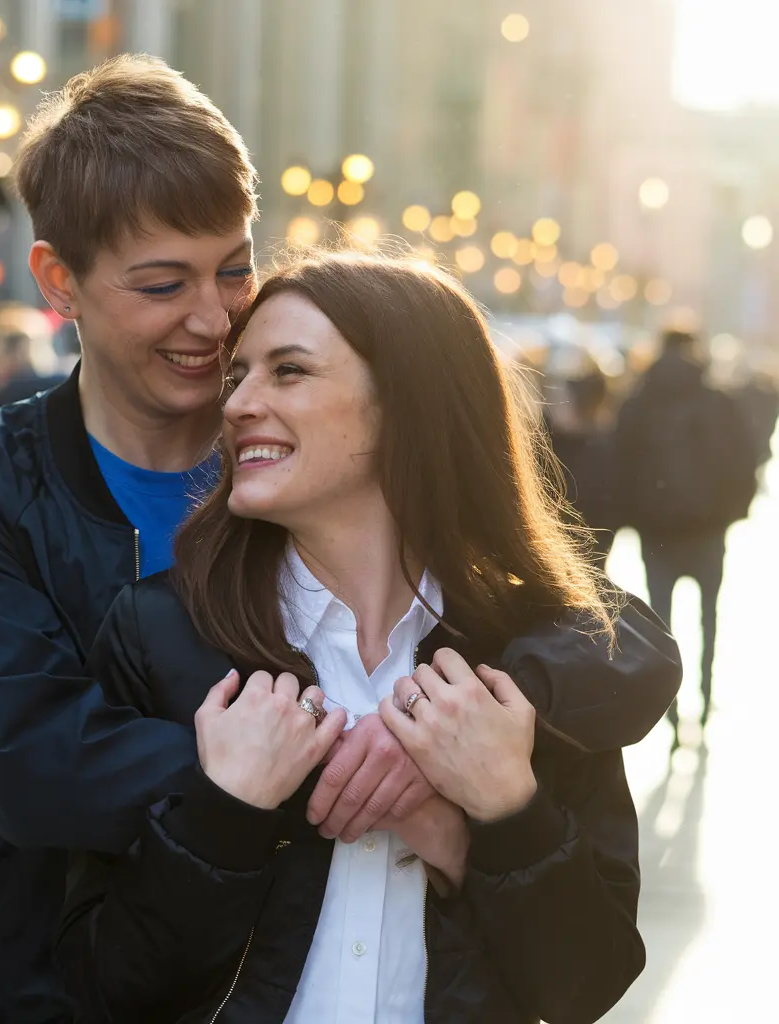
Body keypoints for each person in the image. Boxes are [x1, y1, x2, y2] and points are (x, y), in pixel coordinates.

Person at [0, 57, 678, 1023]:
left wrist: (475, 728)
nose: (213, 319)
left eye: (234, 269)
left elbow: (616, 635)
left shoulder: (312, 464)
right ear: (60, 281)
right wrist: (361, 762)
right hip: (55, 984)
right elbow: (39, 768)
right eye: (161, 284)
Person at [58, 252, 674, 1023]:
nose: (239, 402)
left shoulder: (524, 665)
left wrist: (490, 818)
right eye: (239, 375)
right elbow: (102, 984)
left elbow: (588, 984)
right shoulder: (166, 634)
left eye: (288, 372)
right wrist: (228, 816)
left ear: (407, 404)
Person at [616, 327, 758, 740]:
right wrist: (730, 513)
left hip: (658, 534)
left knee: (662, 620)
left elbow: (619, 465)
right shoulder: (719, 401)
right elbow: (744, 461)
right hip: (708, 533)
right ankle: (705, 692)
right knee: (708, 617)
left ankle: (672, 709)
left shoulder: (638, 403)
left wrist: (635, 517)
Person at [544, 355, 620, 568]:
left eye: (560, 400)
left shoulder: (600, 448)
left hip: (590, 550)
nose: (552, 405)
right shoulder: (544, 441)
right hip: (550, 550)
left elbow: (608, 505)